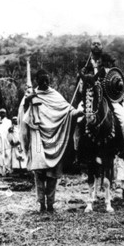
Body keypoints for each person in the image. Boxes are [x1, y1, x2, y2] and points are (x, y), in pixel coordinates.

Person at [19, 69, 83, 212]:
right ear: (36, 80)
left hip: (55, 138)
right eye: (42, 80)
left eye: (47, 80)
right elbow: (23, 117)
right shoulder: (30, 95)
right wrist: (27, 103)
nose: (46, 82)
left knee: (53, 173)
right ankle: (41, 203)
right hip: (37, 135)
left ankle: (51, 203)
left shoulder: (55, 95)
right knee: (39, 172)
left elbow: (67, 110)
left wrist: (77, 112)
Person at [77, 40, 124, 162]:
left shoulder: (108, 62)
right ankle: (77, 151)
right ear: (90, 46)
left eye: (98, 44)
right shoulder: (84, 65)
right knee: (76, 118)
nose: (96, 45)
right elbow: (80, 87)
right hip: (88, 99)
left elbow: (116, 79)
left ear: (102, 47)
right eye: (93, 43)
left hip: (107, 98)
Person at [0, 108, 12, 176]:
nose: (2, 114)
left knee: (7, 154)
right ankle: (0, 171)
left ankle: (7, 170)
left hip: (6, 139)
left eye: (3, 113)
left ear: (5, 113)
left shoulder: (8, 121)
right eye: (1, 113)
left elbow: (10, 131)